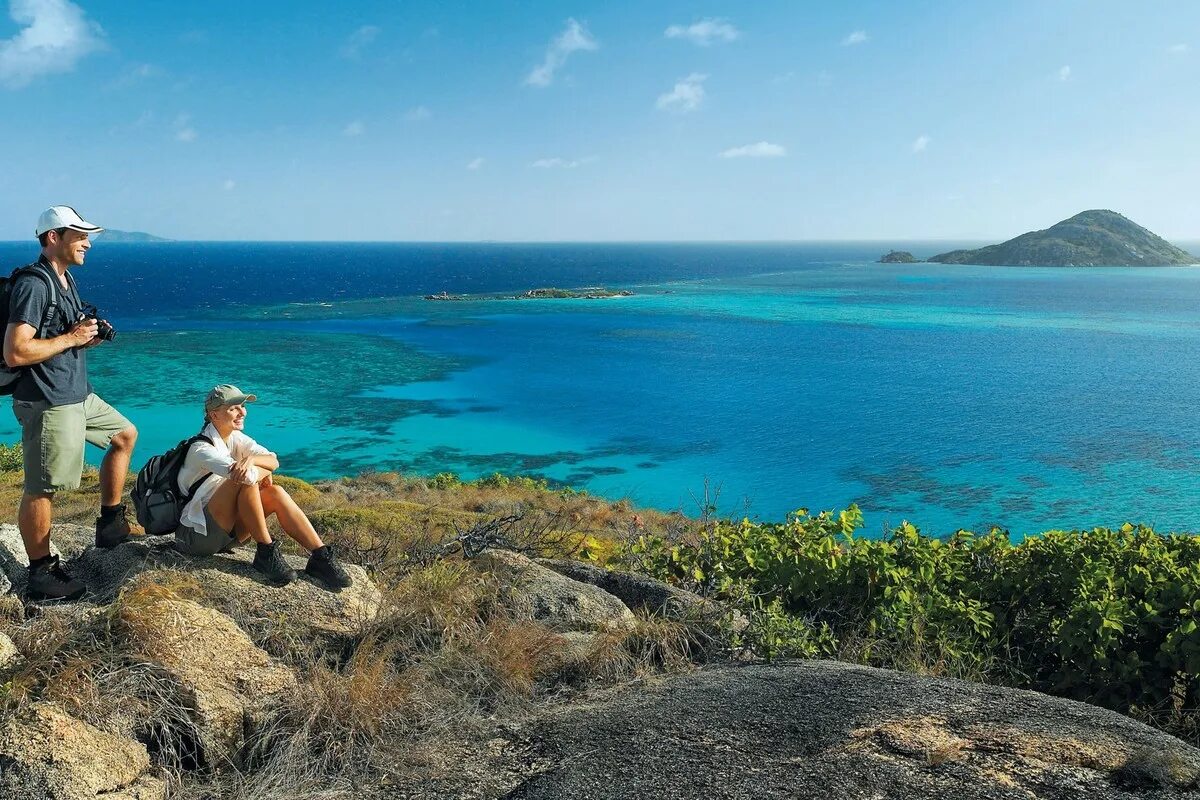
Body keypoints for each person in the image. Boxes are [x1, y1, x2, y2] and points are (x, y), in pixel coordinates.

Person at [4, 206, 138, 601]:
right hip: (49, 401)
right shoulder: (34, 284)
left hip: (76, 393)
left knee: (124, 435)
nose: (88, 243)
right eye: (79, 236)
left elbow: (63, 335)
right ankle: (41, 574)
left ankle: (110, 523)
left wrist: (88, 336)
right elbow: (15, 351)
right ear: (53, 238)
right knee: (42, 487)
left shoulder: (65, 280)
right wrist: (72, 338)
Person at [174, 384, 351, 590]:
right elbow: (249, 476)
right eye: (233, 408)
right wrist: (262, 470)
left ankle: (320, 556)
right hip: (195, 537)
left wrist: (252, 459)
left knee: (275, 492)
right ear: (214, 415)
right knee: (243, 481)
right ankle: (266, 552)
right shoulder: (201, 449)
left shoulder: (236, 439)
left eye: (242, 406)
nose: (242, 412)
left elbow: (273, 460)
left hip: (227, 535)